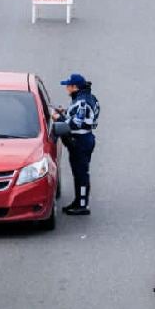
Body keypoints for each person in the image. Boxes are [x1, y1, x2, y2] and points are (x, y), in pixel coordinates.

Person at [54, 73, 100, 215]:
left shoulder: (82, 102)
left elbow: (76, 123)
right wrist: (66, 112)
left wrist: (59, 117)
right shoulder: (87, 98)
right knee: (78, 173)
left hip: (81, 141)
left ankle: (82, 205)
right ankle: (78, 200)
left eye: (68, 86)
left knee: (81, 174)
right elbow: (80, 116)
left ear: (75, 87)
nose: (66, 88)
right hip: (84, 140)